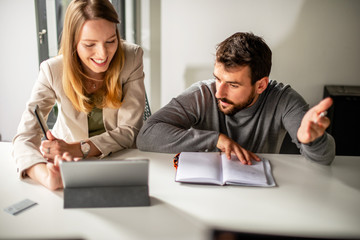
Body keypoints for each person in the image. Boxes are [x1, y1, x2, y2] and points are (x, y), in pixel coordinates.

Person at [136, 32, 335, 165]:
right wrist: (216, 140)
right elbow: (147, 136)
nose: (219, 93)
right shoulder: (202, 94)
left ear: (261, 85)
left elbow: (324, 160)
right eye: (217, 78)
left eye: (233, 85)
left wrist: (314, 142)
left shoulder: (284, 100)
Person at [12, 0, 146, 190]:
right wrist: (46, 177)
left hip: (120, 161)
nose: (102, 54)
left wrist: (77, 148)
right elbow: (24, 137)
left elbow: (129, 131)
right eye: (90, 44)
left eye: (110, 41)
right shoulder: (52, 70)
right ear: (73, 43)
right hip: (71, 165)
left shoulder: (132, 57)